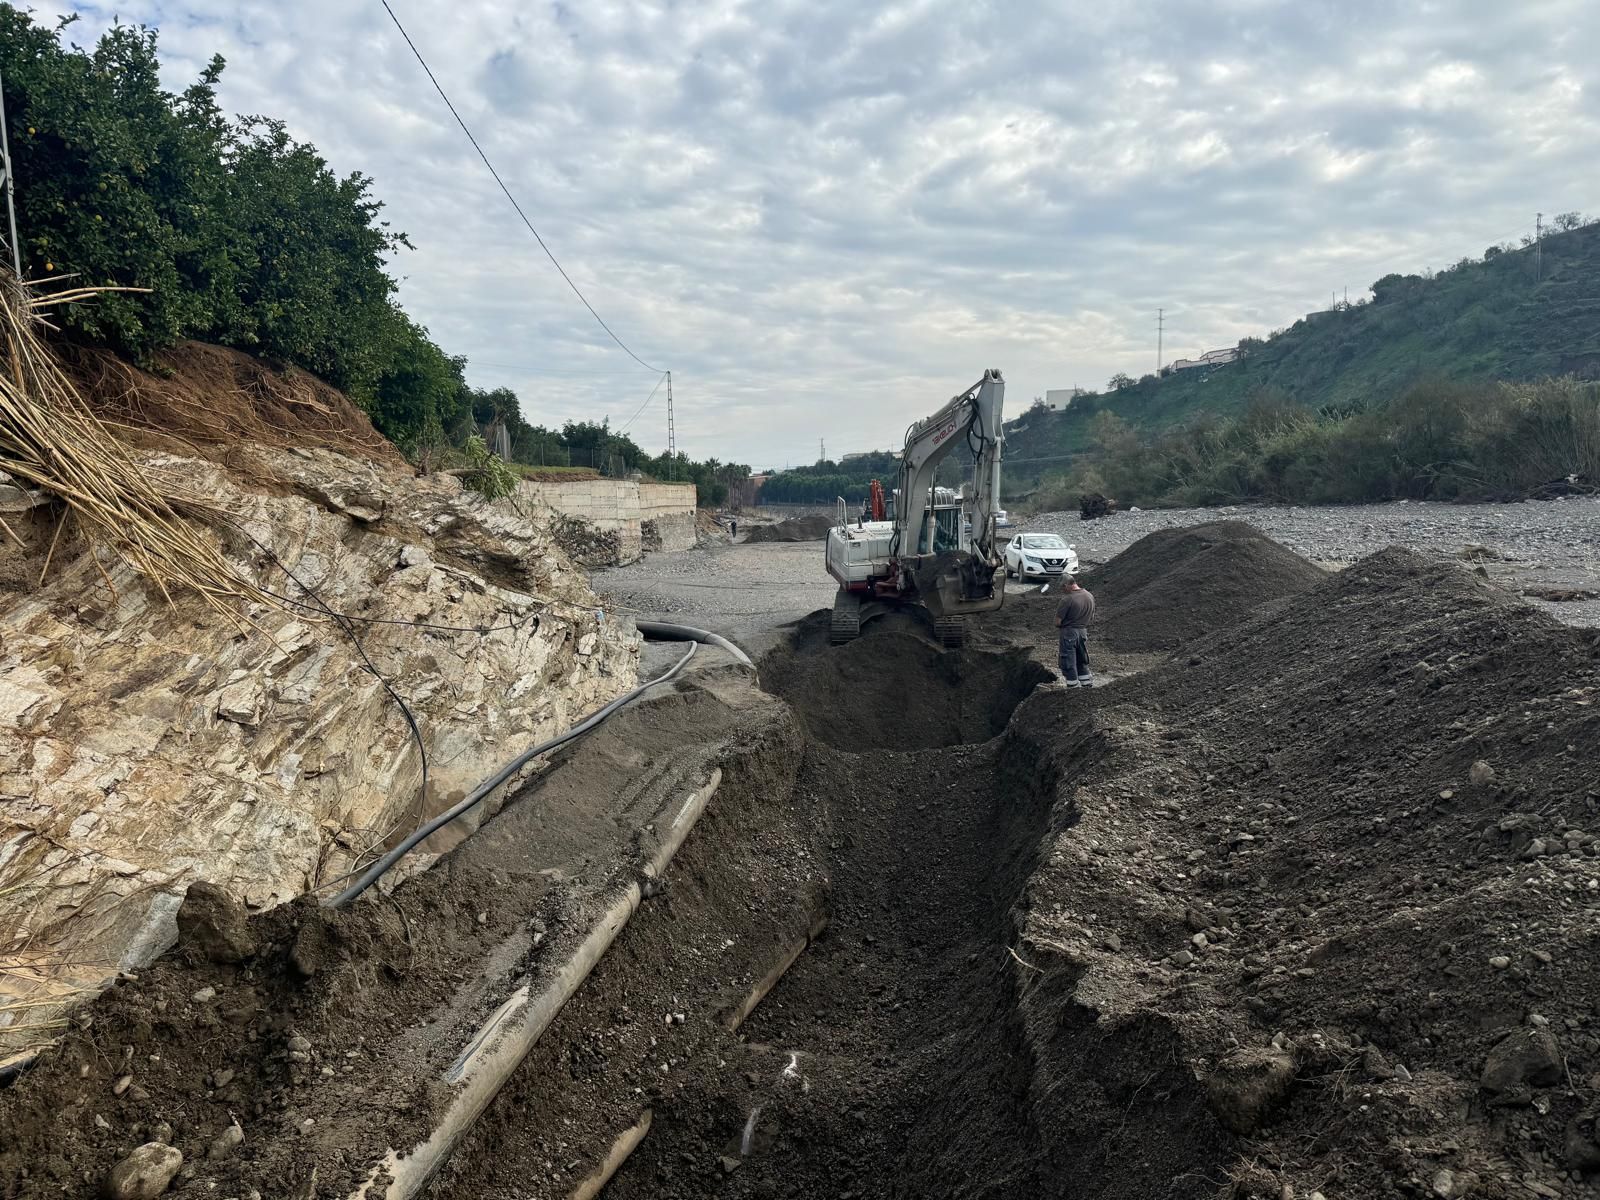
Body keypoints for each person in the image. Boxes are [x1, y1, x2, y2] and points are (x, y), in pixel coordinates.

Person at [1054, 575, 1095, 687]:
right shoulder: (1089, 596)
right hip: (1082, 632)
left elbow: (1058, 622)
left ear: (1067, 585)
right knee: (1081, 659)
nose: (1062, 590)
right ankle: (1087, 685)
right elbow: (1091, 617)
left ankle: (1073, 688)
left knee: (1068, 662)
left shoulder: (1067, 599)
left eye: (1063, 587)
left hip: (1069, 633)